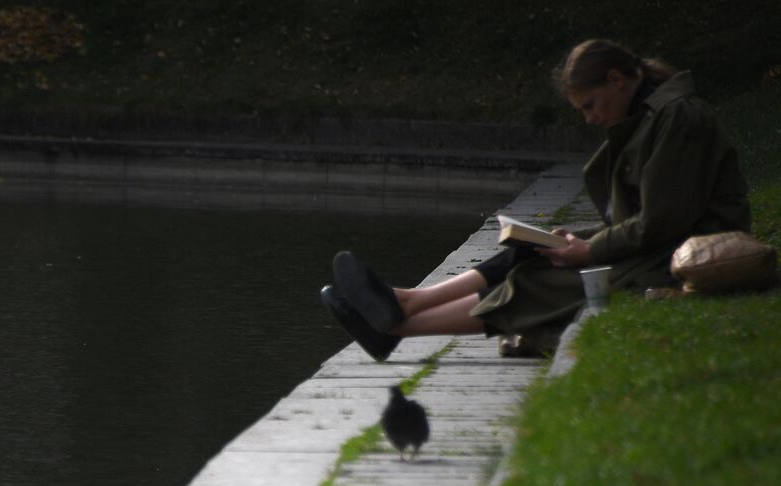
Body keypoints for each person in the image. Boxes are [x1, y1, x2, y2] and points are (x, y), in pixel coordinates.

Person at [321, 38, 752, 361]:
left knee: (538, 279)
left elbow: (662, 221)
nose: (590, 118)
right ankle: (407, 302)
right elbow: (646, 218)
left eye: (590, 105)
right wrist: (574, 240)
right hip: (661, 244)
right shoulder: (649, 115)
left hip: (683, 256)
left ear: (617, 81)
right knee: (529, 249)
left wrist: (588, 247)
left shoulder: (675, 118)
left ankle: (400, 326)